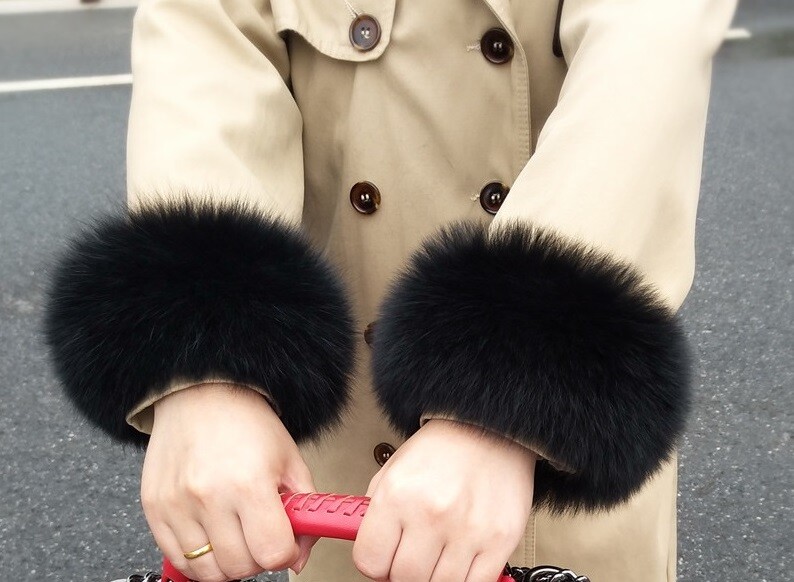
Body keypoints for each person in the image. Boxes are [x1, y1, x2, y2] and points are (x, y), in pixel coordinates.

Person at [45, 1, 739, 581]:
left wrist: (510, 388)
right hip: (349, 417)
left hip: (560, 434)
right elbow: (207, 36)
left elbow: (643, 58)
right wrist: (207, 357)